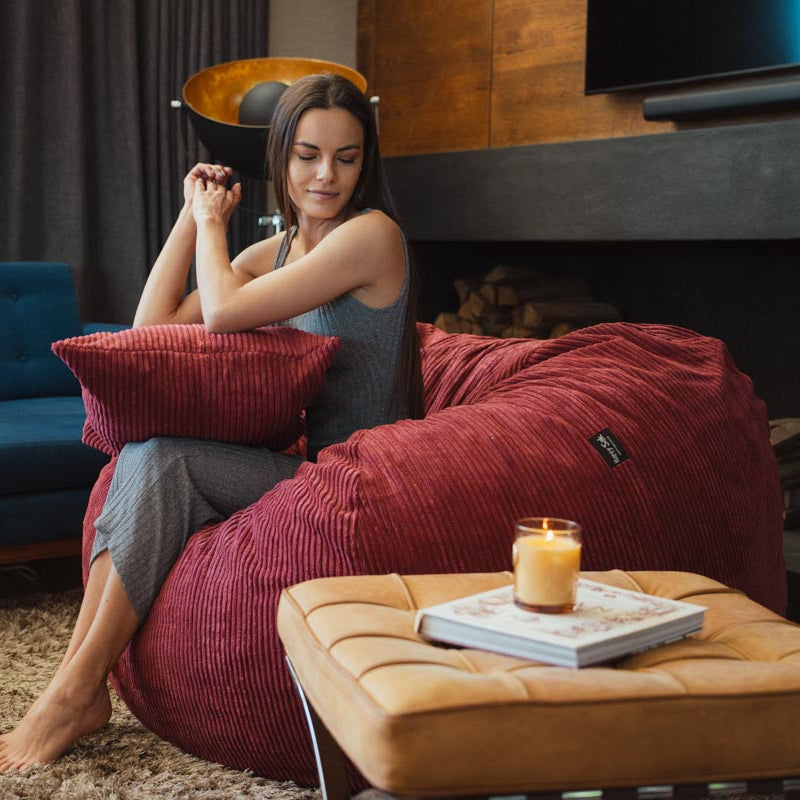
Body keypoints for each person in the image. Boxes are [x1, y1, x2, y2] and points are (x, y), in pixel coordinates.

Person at [0, 72, 422, 772]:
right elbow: (151, 327)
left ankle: (74, 693)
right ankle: (78, 687)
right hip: (310, 468)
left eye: (346, 158)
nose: (325, 174)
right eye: (308, 155)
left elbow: (222, 313)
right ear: (280, 158)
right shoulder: (280, 251)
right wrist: (191, 214)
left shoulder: (370, 237)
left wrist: (213, 227)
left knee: (165, 460)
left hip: (361, 478)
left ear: (365, 164)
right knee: (143, 453)